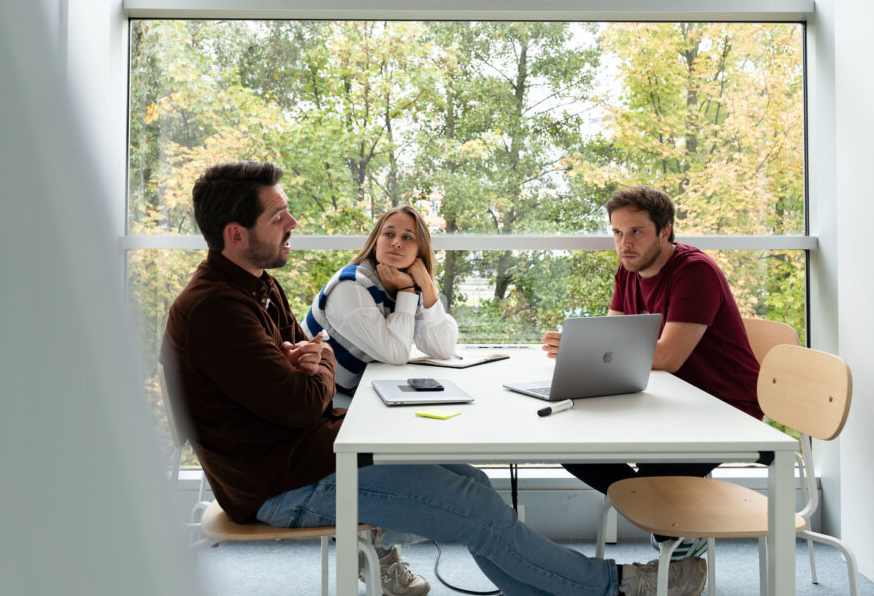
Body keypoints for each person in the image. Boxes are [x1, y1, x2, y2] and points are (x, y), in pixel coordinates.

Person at [161, 162, 706, 596]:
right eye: (279, 216)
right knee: (475, 511)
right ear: (236, 233)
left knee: (472, 481)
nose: (293, 224)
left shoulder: (258, 286)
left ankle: (555, 588)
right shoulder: (215, 309)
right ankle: (619, 586)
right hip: (280, 484)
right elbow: (302, 398)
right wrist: (318, 364)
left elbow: (315, 368)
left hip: (321, 447)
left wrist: (315, 360)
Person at [541, 186, 763, 501]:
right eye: (617, 232)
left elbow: (668, 357)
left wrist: (584, 350)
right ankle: (669, 519)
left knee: (652, 483)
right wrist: (582, 351)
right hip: (666, 399)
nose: (624, 244)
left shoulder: (695, 271)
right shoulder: (628, 270)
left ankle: (673, 526)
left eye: (636, 232)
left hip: (723, 407)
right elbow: (612, 342)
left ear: (665, 231)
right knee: (569, 444)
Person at [302, 205, 458, 404]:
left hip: (358, 390)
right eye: (389, 234)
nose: (396, 243)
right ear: (376, 244)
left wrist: (427, 286)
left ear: (420, 251)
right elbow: (396, 354)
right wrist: (406, 291)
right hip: (318, 396)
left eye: (407, 237)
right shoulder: (350, 286)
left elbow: (443, 348)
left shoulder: (406, 283)